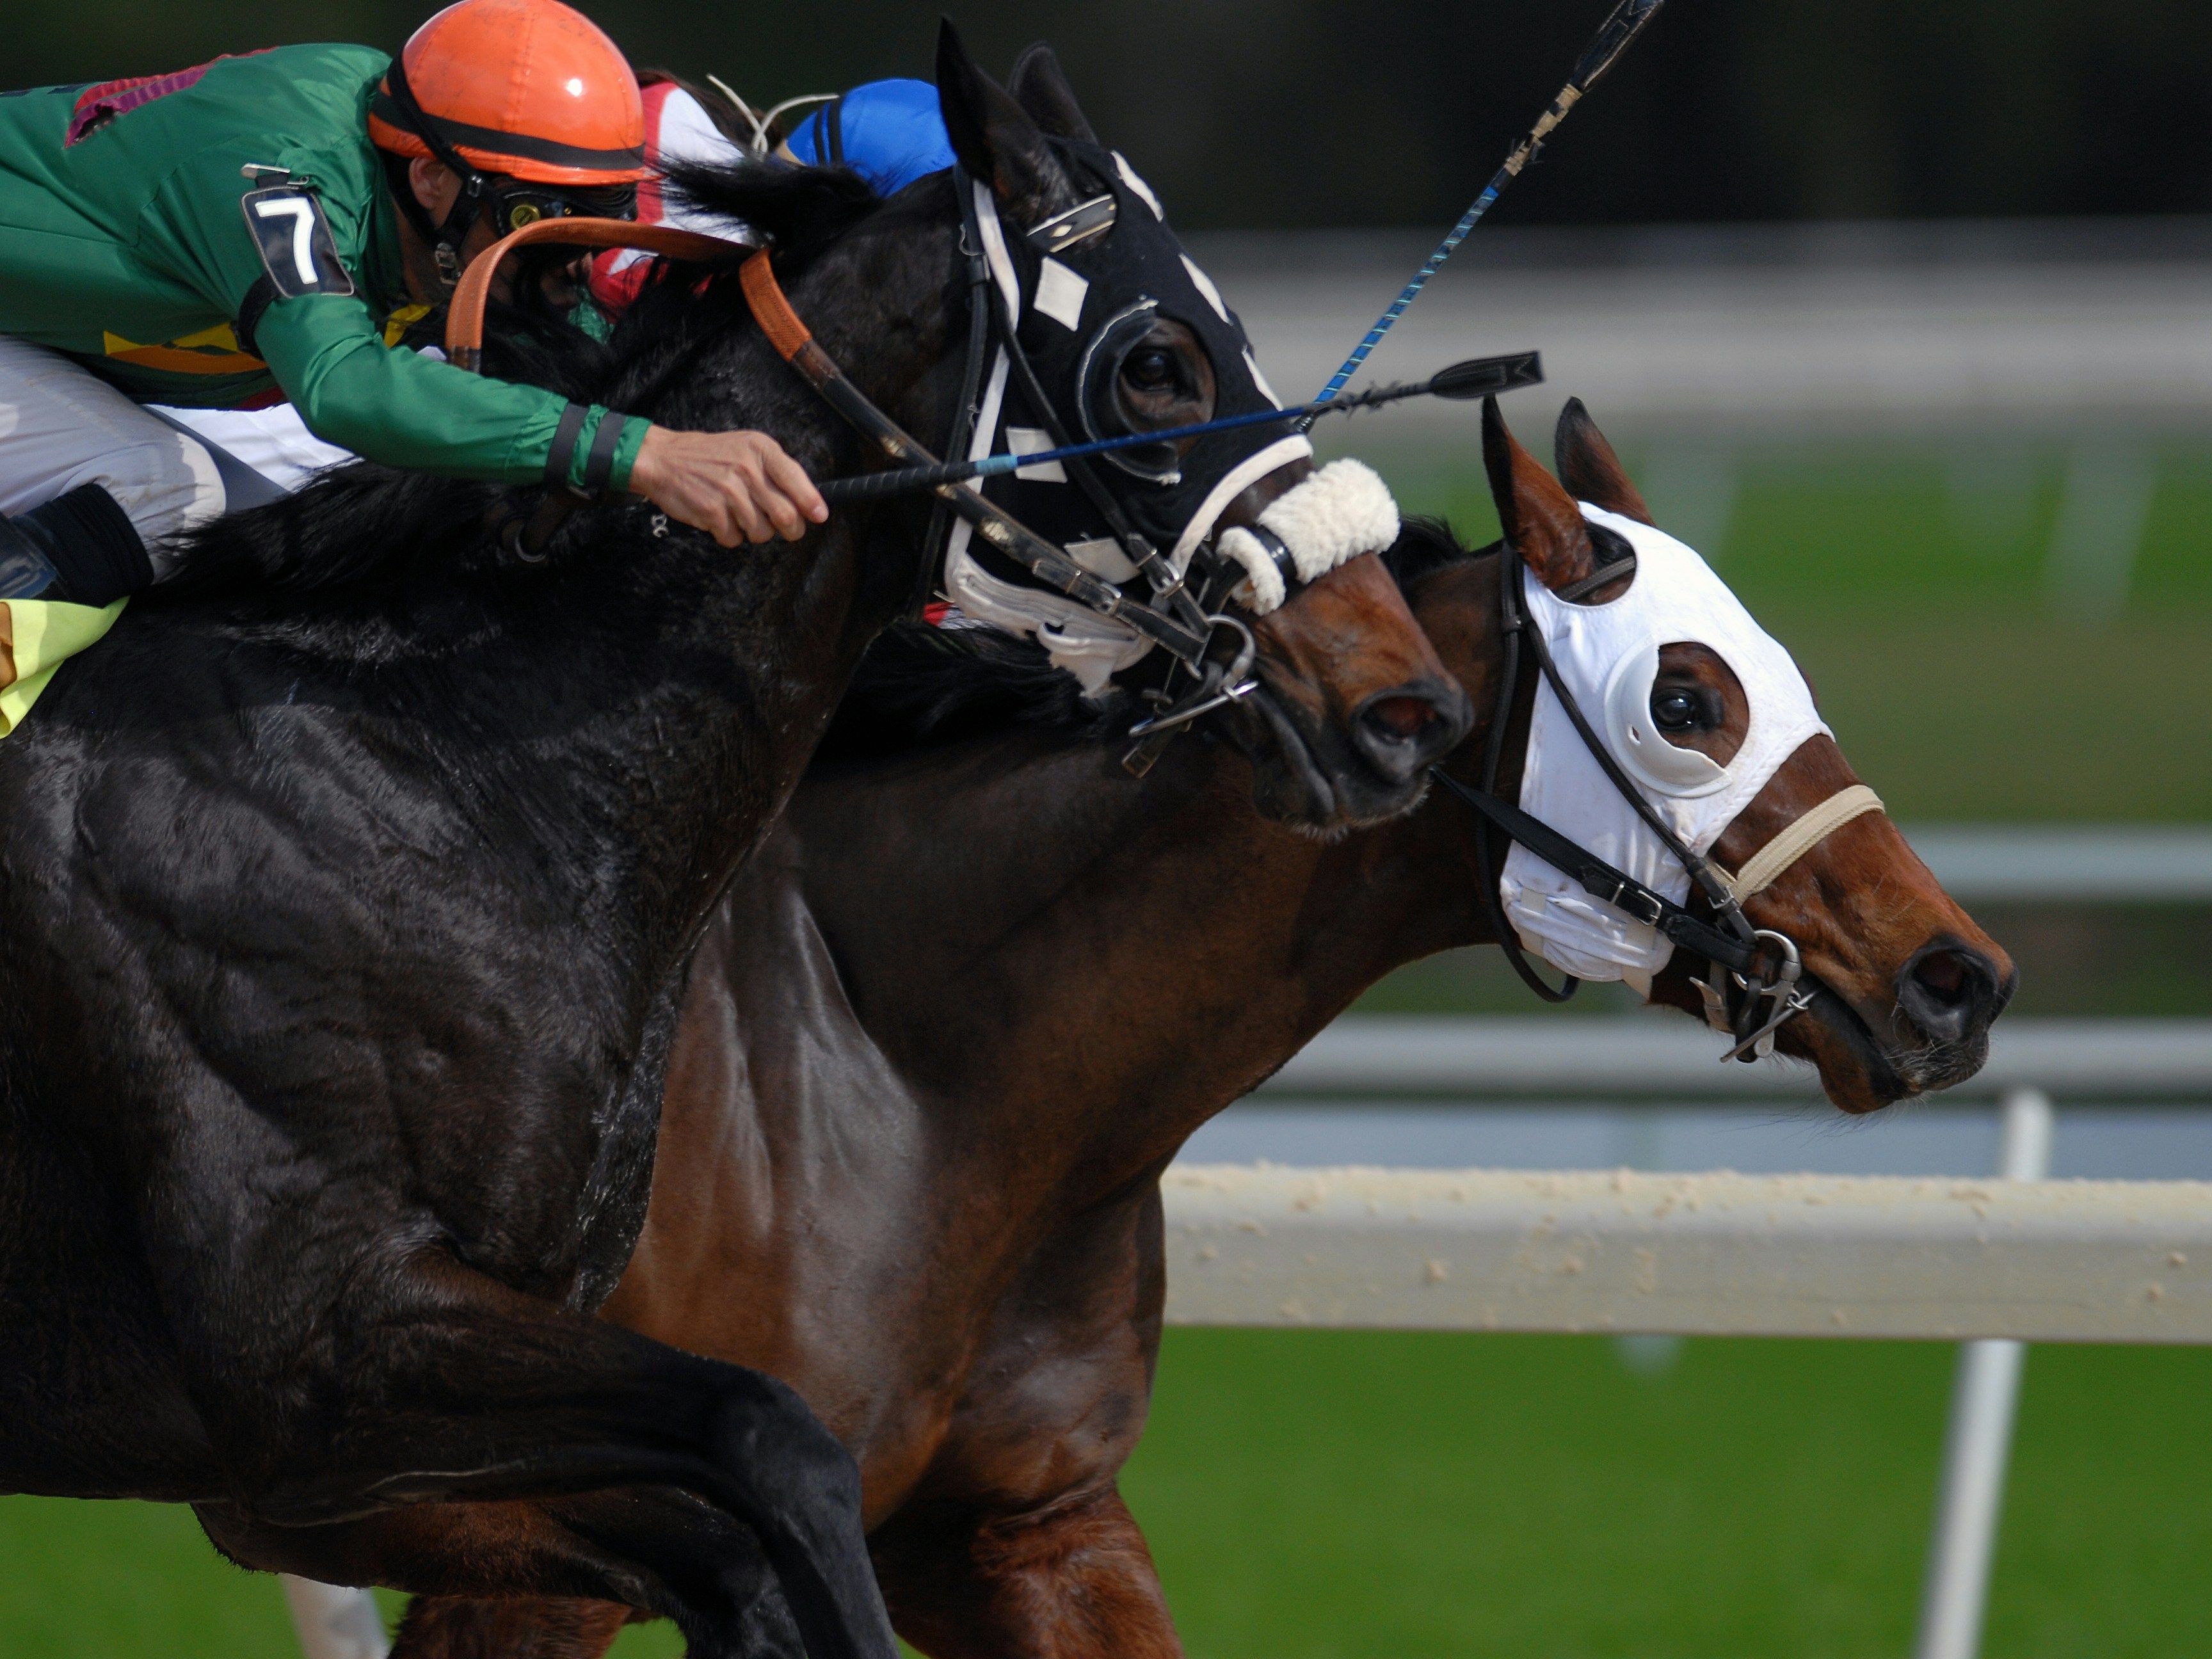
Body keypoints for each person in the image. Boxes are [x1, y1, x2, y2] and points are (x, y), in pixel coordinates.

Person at [0, 0, 825, 624]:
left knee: (272, 541)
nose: (570, 264)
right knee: (163, 498)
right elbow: (344, 390)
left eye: (596, 221)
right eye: (538, 222)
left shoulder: (427, 174)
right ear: (432, 178)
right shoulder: (277, 177)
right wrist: (641, 453)